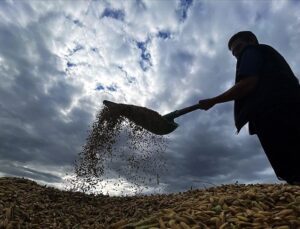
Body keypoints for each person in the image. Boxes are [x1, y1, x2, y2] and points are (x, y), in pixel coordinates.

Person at [198, 31, 300, 185]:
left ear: (251, 41)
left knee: (291, 167)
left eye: (239, 48)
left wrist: (214, 101)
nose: (238, 54)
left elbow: (248, 83)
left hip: (276, 113)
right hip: (290, 107)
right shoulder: (269, 57)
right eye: (234, 53)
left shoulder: (252, 51)